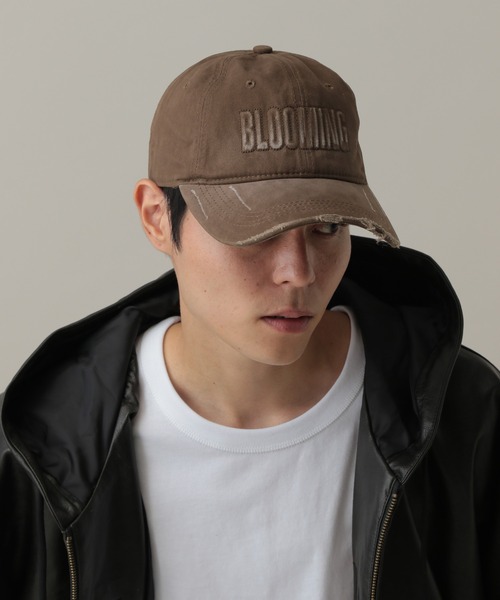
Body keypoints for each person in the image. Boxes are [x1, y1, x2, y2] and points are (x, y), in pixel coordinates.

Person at [0, 45, 498, 600]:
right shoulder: (44, 444)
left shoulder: (463, 416)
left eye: (328, 227)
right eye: (254, 231)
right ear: (157, 218)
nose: (298, 272)